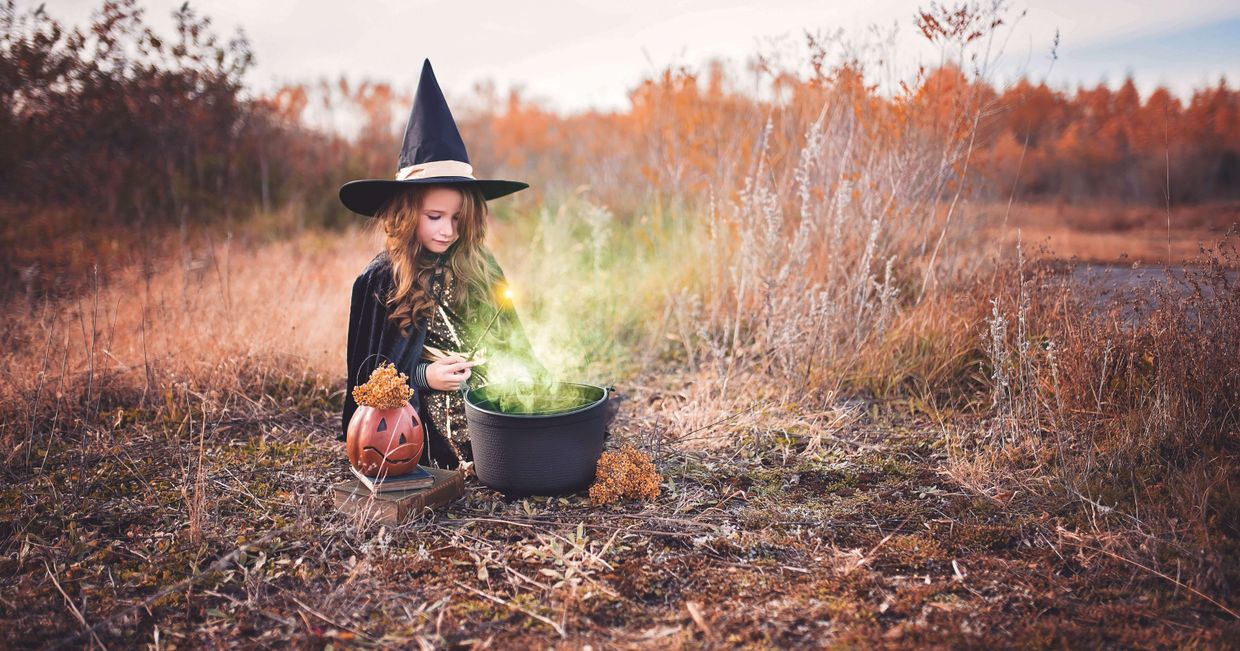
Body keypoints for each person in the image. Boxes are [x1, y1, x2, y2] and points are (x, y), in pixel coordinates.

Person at [339, 59, 542, 468]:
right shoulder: (382, 280)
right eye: (435, 217)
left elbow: (512, 341)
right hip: (420, 423)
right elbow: (368, 382)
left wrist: (515, 374)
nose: (447, 231)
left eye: (456, 219)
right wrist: (423, 378)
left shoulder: (479, 264)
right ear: (405, 212)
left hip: (493, 404)